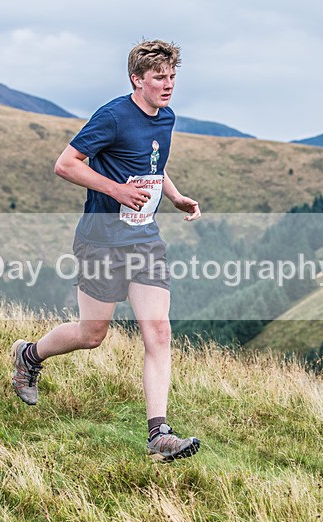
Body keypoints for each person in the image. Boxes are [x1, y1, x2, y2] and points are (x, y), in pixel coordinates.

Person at [11, 39, 202, 462]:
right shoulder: (113, 116)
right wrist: (116, 190)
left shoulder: (166, 117)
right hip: (101, 238)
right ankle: (29, 355)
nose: (168, 85)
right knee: (92, 334)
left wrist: (174, 196)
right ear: (137, 79)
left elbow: (153, 166)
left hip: (144, 239)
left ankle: (158, 435)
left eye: (172, 77)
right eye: (159, 78)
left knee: (159, 332)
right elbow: (66, 164)